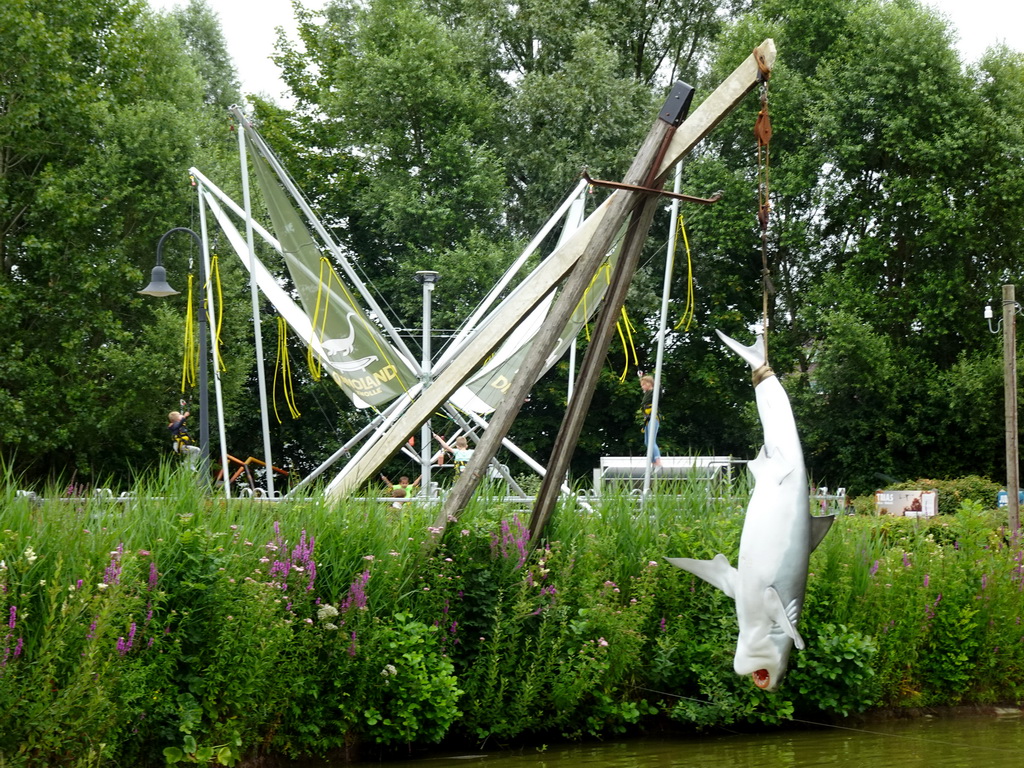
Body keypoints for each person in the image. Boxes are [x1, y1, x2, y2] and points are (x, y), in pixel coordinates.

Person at [168, 401, 201, 470]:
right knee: (197, 450)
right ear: (177, 419)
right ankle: (189, 464)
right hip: (179, 446)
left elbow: (181, 422)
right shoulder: (174, 425)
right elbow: (179, 423)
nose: (181, 415)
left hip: (181, 445)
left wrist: (184, 417)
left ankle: (186, 463)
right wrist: (184, 416)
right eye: (180, 415)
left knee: (193, 451)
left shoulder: (178, 424)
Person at [639, 374, 663, 468]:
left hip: (653, 418)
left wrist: (657, 382)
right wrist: (641, 376)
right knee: (647, 442)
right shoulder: (647, 393)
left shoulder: (653, 392)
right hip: (648, 419)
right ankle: (653, 461)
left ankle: (657, 460)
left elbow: (659, 390)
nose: (642, 387)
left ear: (649, 384)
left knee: (651, 441)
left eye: (643, 385)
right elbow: (645, 383)